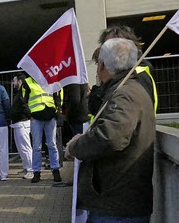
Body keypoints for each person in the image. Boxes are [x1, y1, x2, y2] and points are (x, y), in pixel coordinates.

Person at [66, 38, 156, 222]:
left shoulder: (125, 93)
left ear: (102, 66)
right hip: (119, 201)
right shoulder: (128, 89)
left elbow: (110, 137)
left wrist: (75, 147)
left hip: (116, 205)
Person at [22, 76, 62, 183]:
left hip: (50, 115)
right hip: (36, 117)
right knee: (37, 147)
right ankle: (36, 172)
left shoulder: (51, 80)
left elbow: (57, 95)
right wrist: (29, 114)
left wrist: (58, 110)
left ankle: (55, 170)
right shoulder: (27, 82)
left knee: (52, 145)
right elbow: (23, 100)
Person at [9, 73, 33, 179]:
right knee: (21, 148)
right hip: (18, 123)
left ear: (19, 81)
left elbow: (25, 105)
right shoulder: (19, 93)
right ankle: (26, 167)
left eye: (14, 80)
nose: (13, 83)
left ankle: (31, 169)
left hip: (22, 122)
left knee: (25, 147)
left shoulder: (23, 92)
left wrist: (28, 116)